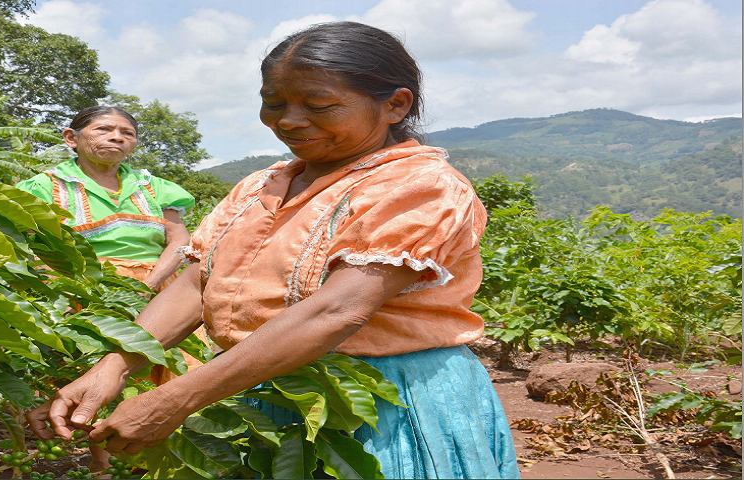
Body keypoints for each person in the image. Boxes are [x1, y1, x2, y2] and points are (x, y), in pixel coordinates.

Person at [26, 22, 520, 479]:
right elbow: (198, 282)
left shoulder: (420, 186)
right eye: (274, 102)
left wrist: (174, 399)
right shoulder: (260, 185)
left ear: (395, 105)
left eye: (319, 105)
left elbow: (337, 311)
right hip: (254, 385)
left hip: (378, 401)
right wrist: (113, 365)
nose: (289, 120)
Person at [16, 106, 194, 292]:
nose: (117, 137)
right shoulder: (44, 186)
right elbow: (26, 245)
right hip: (77, 290)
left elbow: (179, 239)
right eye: (103, 129)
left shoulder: (152, 186)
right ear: (71, 138)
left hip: (157, 287)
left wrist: (149, 285)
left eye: (127, 133)